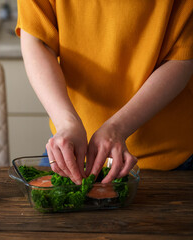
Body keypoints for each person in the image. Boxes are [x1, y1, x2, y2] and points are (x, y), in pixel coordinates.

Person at [15, 0, 193, 184]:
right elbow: (39, 42)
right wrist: (66, 123)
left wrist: (118, 127)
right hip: (70, 149)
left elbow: (179, 58)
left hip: (169, 157)